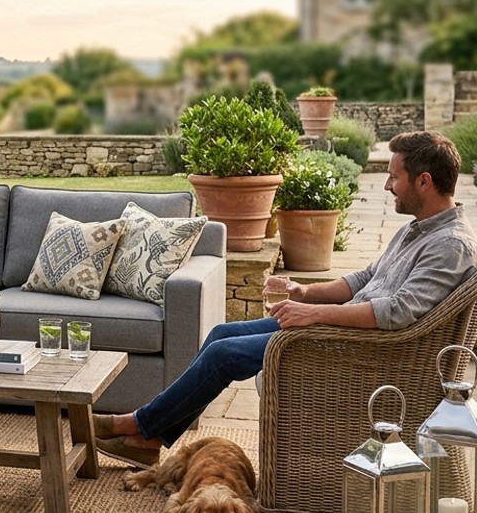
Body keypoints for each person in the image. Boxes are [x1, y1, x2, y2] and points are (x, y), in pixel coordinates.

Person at [95, 130, 477, 469]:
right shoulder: (419, 230)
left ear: (423, 181)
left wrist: (312, 314)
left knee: (223, 356)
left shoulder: (449, 245)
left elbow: (396, 313)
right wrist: (305, 291)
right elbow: (364, 279)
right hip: (343, 328)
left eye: (394, 177)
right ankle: (149, 439)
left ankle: (139, 424)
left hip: (363, 349)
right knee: (220, 335)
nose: (388, 185)